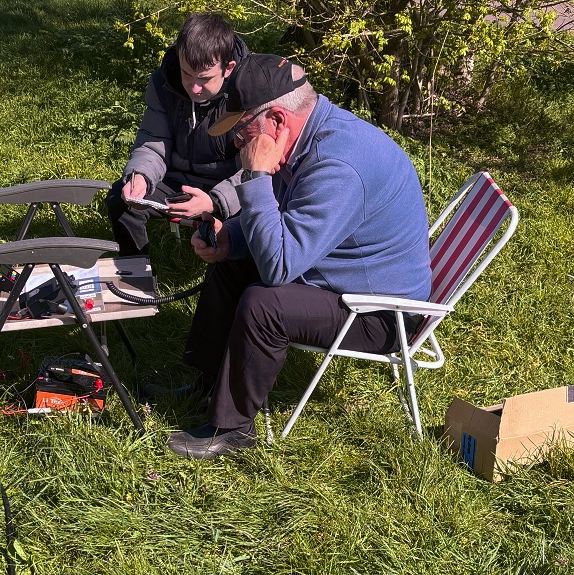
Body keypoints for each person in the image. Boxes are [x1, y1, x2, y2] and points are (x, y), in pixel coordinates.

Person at [165, 54, 432, 460]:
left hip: (380, 314)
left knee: (264, 304)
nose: (239, 144)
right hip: (337, 275)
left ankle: (232, 430)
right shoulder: (309, 136)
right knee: (234, 264)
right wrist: (229, 241)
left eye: (242, 132)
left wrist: (255, 176)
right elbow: (288, 221)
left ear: (275, 120)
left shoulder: (338, 165)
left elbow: (278, 267)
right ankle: (207, 383)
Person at [105, 13, 249, 256]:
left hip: (228, 189)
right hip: (176, 181)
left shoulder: (251, 89)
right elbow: (153, 142)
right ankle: (135, 272)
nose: (193, 87)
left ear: (228, 68)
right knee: (121, 198)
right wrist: (141, 176)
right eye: (186, 74)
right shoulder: (164, 82)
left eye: (204, 79)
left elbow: (256, 171)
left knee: (258, 212)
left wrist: (215, 201)